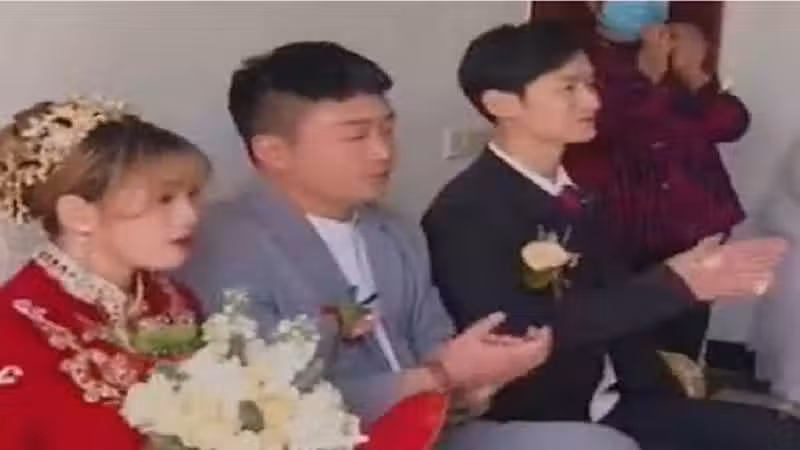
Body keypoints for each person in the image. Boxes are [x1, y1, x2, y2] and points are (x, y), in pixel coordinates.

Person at [178, 41, 641, 450]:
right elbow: (265, 404)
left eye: (387, 129)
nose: (383, 151)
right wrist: (441, 377)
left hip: (435, 431)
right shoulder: (224, 243)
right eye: (356, 135)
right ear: (273, 151)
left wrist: (482, 378)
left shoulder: (395, 231)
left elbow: (435, 344)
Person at [422, 21, 800, 450]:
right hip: (548, 415)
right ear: (501, 103)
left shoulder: (578, 194)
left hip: (622, 395)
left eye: (590, 84)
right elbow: (519, 334)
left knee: (783, 434)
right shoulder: (467, 211)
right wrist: (677, 283)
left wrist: (686, 276)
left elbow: (612, 293)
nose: (593, 100)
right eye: (569, 88)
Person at [0, 98, 210, 449]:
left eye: (193, 195)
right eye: (164, 199)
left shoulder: (173, 301)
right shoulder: (12, 332)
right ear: (79, 215)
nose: (189, 215)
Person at [564, 1, 751, 360]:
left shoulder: (675, 58)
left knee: (681, 352)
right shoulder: (577, 63)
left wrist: (693, 73)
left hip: (691, 234)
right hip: (622, 235)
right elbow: (601, 127)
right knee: (629, 350)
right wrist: (646, 74)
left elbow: (730, 125)